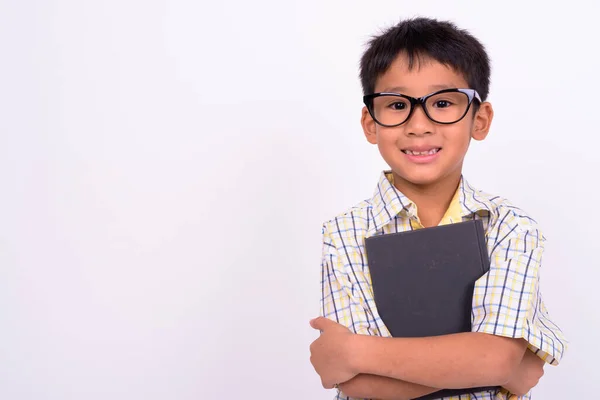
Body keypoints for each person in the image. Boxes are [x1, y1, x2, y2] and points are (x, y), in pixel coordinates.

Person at [308, 17, 567, 400]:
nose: (419, 125)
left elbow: (493, 361)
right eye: (397, 105)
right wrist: (499, 365)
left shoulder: (510, 228)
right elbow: (360, 386)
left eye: (442, 103)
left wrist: (355, 352)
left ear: (479, 119)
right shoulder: (344, 233)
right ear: (370, 123)